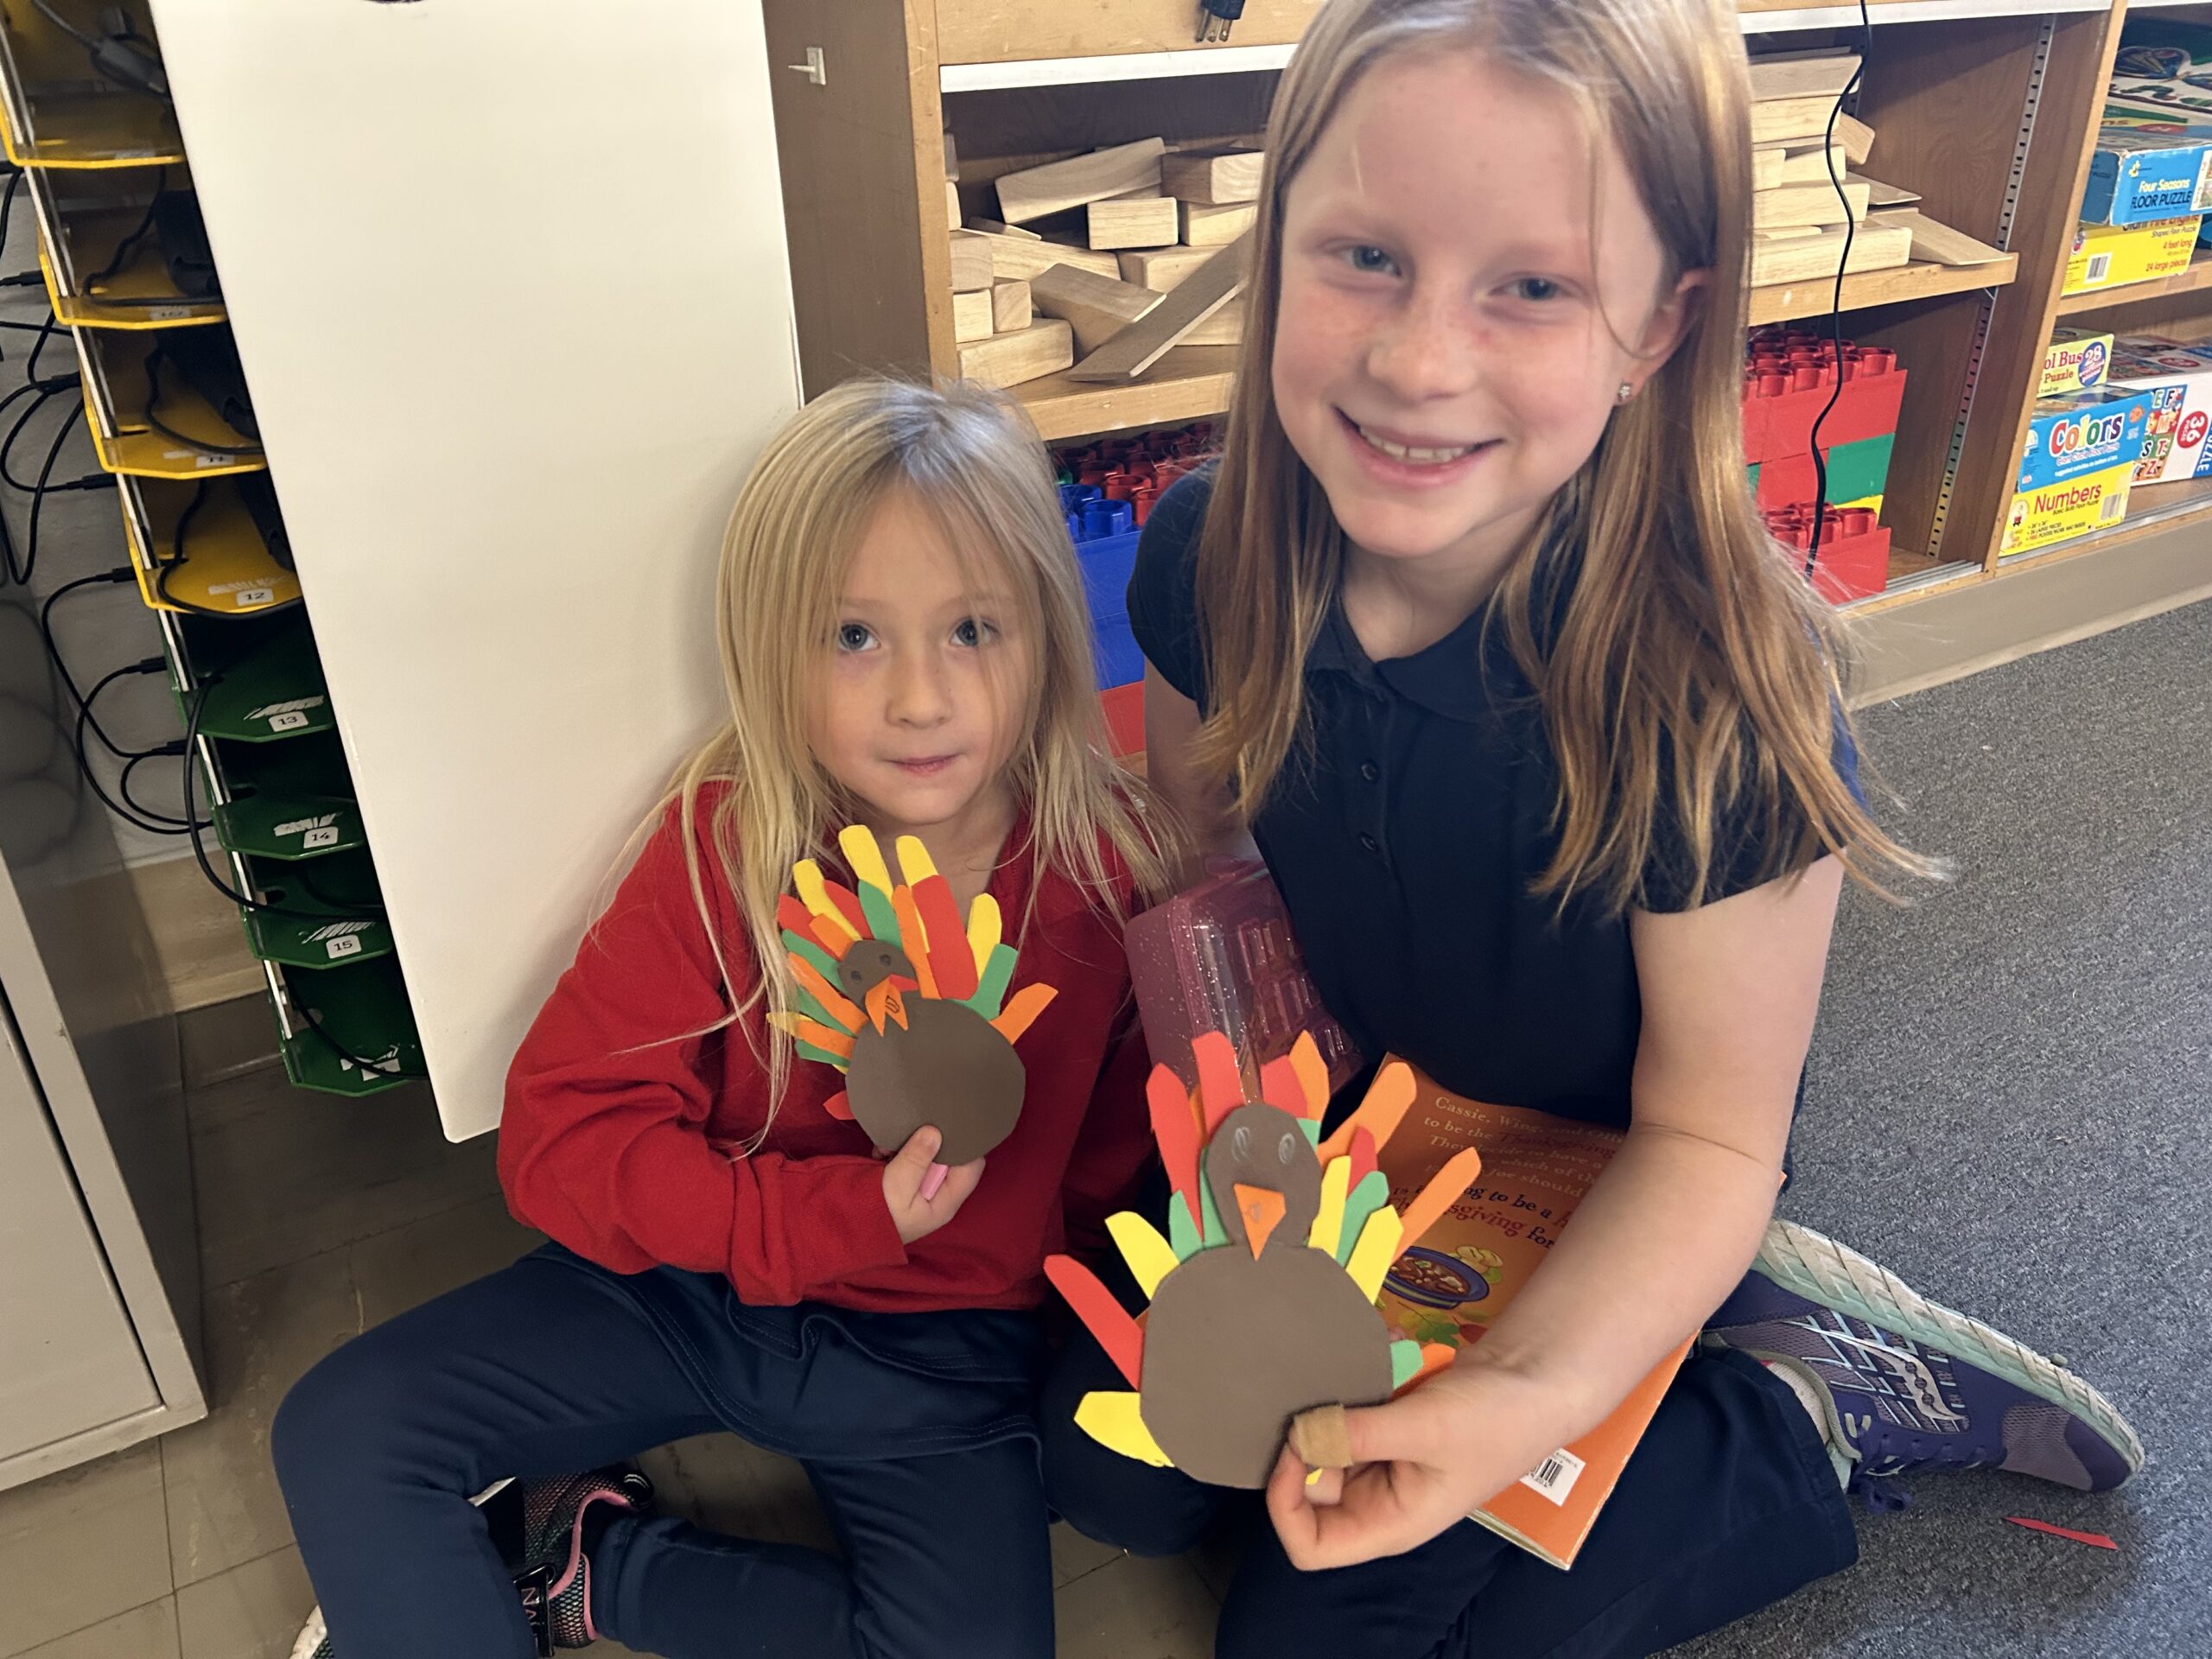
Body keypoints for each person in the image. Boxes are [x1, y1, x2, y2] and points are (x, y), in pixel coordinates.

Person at [1039, 1, 2143, 1653]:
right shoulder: (1212, 556)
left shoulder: (1718, 703)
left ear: (1658, 324)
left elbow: (1705, 1137)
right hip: (1371, 1128)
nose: (1419, 361)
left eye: (1532, 286)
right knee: (1109, 1461)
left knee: (1316, 1635)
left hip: (1632, 1166)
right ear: (1277, 251)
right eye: (1363, 257)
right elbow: (1213, 866)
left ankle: (1794, 1407)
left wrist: (1521, 1395)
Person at [272, 377, 1179, 1659]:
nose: (920, 698)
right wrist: (822, 1221)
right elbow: (557, 1143)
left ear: (1046, 632)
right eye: (854, 637)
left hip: (936, 1363)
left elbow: (1115, 1169)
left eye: (974, 628)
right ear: (771, 649)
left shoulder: (1103, 869)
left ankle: (594, 1566)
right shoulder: (728, 849)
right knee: (342, 1428)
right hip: (695, 1295)